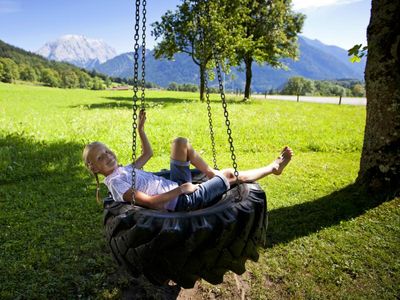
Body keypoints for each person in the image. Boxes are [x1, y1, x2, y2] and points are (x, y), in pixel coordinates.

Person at [83, 110, 293, 212]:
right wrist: (182, 190)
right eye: (101, 157)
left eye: (108, 151)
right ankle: (272, 168)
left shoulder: (123, 171)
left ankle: (211, 175)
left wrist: (140, 130)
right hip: (180, 200)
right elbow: (150, 202)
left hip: (174, 186)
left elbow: (148, 154)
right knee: (229, 173)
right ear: (93, 167)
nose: (108, 155)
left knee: (180, 143)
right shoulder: (118, 184)